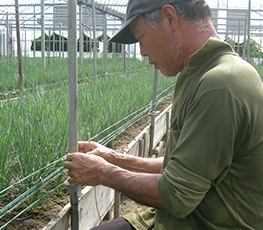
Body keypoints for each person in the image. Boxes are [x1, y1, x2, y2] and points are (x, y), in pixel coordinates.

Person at [63, 0, 263, 229]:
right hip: (179, 218)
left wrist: (101, 172)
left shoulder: (221, 84)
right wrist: (112, 158)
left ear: (169, 17)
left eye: (140, 37)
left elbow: (176, 195)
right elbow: (182, 167)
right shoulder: (201, 73)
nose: (142, 52)